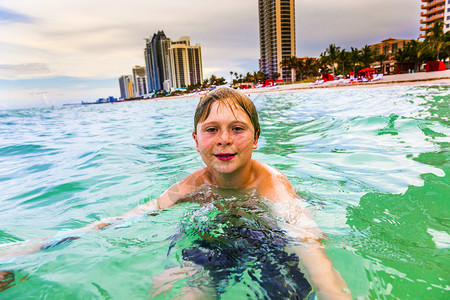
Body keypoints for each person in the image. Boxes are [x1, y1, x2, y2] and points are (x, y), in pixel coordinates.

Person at [0, 87, 351, 299]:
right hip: (215, 236)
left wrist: (333, 292)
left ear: (256, 138)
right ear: (196, 140)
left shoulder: (273, 186)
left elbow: (307, 243)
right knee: (188, 288)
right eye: (212, 129)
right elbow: (126, 219)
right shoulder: (193, 186)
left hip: (267, 236)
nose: (224, 139)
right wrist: (34, 247)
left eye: (237, 129)